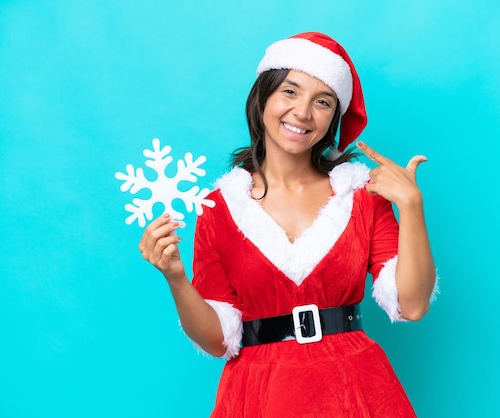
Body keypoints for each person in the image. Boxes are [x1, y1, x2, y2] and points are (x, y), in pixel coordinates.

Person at [139, 32, 438, 417]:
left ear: (333, 118)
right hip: (260, 393)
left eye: (323, 101)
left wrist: (412, 206)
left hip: (354, 385)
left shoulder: (361, 195)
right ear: (262, 97)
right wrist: (175, 278)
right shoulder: (220, 206)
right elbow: (217, 341)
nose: (302, 113)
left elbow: (412, 305)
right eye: (290, 92)